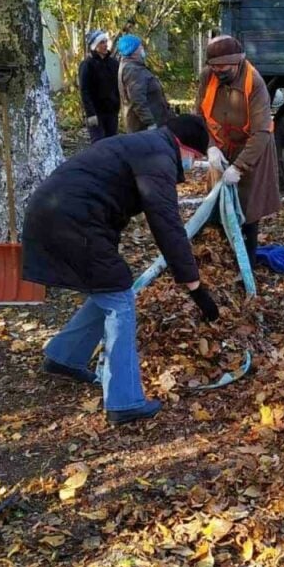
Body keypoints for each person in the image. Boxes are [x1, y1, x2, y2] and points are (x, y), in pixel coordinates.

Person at [21, 115, 219, 425]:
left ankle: (64, 357)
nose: (193, 164)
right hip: (69, 222)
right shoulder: (158, 158)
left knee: (107, 288)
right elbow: (167, 224)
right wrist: (195, 287)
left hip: (56, 215)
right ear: (185, 147)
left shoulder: (147, 144)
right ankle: (124, 401)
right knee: (118, 297)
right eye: (196, 157)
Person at [196, 35, 281, 267]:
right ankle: (224, 253)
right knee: (218, 201)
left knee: (248, 206)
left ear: (237, 62)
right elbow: (200, 116)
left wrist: (239, 167)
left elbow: (261, 132)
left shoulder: (254, 83)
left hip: (251, 149)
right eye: (214, 67)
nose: (218, 72)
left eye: (223, 67)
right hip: (221, 147)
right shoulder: (208, 77)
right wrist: (211, 148)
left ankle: (248, 259)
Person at [117, 34, 171, 133]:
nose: (142, 48)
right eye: (139, 46)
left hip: (151, 122)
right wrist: (150, 122)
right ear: (132, 51)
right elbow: (137, 99)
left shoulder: (135, 66)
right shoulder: (132, 70)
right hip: (144, 127)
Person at [78, 29, 120, 143]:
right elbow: (84, 90)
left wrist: (117, 104)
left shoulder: (113, 63)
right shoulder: (87, 65)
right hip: (96, 112)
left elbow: (117, 86)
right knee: (99, 144)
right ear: (94, 46)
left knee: (112, 143)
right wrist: (90, 113)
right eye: (102, 42)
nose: (105, 45)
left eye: (106, 41)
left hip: (111, 111)